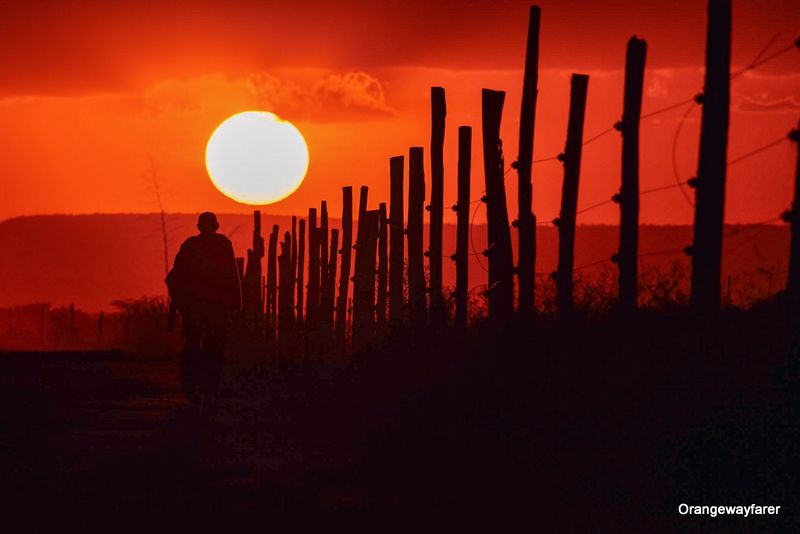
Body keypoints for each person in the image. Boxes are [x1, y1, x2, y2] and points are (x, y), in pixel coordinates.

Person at [166, 212, 241, 418]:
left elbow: (174, 278)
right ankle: (200, 387)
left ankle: (200, 387)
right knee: (204, 346)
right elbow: (176, 277)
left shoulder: (200, 245)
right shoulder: (204, 245)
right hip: (202, 307)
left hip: (206, 307)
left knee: (206, 346)